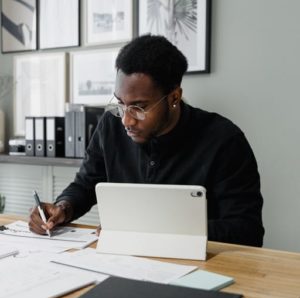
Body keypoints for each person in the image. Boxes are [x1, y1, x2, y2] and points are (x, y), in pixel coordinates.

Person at [29, 34, 264, 246]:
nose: (126, 121)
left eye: (139, 108)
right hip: (125, 260)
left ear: (174, 97)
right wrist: (62, 208)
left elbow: (246, 231)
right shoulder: (111, 124)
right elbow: (86, 184)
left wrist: (150, 230)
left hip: (203, 266)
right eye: (120, 104)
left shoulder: (224, 141)